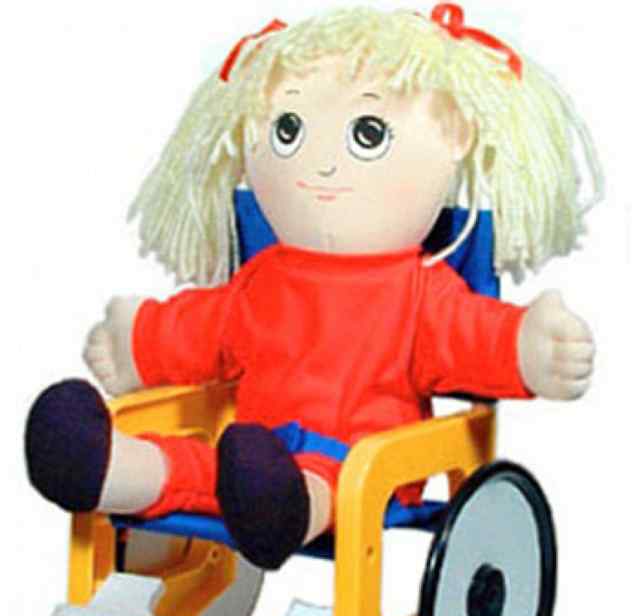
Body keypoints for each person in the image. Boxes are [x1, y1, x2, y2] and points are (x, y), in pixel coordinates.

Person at [25, 5, 602, 570]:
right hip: (251, 452)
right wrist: (140, 340)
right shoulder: (264, 279)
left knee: (298, 478)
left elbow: (473, 337)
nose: (321, 163)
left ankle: (280, 505)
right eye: (289, 130)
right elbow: (206, 327)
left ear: (452, 137)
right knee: (206, 465)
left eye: (367, 133)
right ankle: (108, 466)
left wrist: (527, 347)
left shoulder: (421, 293)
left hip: (361, 464)